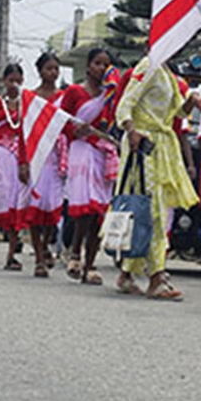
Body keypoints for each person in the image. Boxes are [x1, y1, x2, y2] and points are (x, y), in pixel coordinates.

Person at [116, 53, 199, 300]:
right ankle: (156, 276)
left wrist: (192, 101)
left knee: (154, 210)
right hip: (143, 145)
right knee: (151, 211)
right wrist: (131, 130)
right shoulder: (147, 66)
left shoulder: (168, 74)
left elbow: (178, 114)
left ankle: (128, 274)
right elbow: (124, 106)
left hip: (162, 146)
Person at [60, 48, 119, 286]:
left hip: (102, 152)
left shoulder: (110, 94)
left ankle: (90, 264)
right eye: (97, 63)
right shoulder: (74, 92)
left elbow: (114, 122)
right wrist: (76, 131)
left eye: (106, 64)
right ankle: (75, 253)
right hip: (81, 150)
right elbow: (61, 121)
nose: (101, 68)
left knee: (99, 211)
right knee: (87, 205)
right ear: (87, 66)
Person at [24, 52, 66, 277]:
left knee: (53, 207)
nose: (53, 72)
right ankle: (39, 257)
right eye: (49, 68)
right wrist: (22, 162)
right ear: (40, 71)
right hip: (36, 156)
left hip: (57, 157)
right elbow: (24, 131)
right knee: (35, 207)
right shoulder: (30, 97)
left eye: (56, 68)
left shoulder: (64, 97)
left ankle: (46, 244)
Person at [0, 66, 30, 270]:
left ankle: (12, 255)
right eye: (11, 80)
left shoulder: (26, 104)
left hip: (19, 157)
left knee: (16, 203)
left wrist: (25, 162)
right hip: (0, 155)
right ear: (3, 81)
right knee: (1, 200)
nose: (14, 85)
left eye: (18, 81)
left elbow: (27, 134)